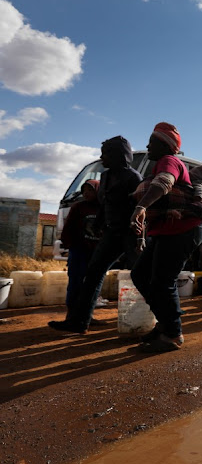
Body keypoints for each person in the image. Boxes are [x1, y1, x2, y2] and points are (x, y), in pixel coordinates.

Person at [130, 122, 202, 352]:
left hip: (182, 228)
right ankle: (165, 324)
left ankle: (172, 334)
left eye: (152, 141)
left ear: (164, 145)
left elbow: (164, 183)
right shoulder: (161, 164)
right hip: (168, 229)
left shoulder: (169, 161)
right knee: (141, 274)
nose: (147, 146)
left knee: (162, 281)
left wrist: (140, 207)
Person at [49, 136, 142, 334]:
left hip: (129, 233)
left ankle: (165, 321)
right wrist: (99, 224)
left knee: (141, 275)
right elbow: (104, 204)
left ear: (118, 155)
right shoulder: (106, 177)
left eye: (106, 153)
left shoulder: (133, 178)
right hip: (111, 233)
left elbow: (141, 208)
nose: (102, 158)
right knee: (92, 274)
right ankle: (79, 323)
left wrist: (139, 238)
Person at [59, 179, 100, 322]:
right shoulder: (78, 207)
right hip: (79, 251)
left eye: (90, 190)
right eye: (84, 191)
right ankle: (71, 315)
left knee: (91, 286)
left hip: (96, 253)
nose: (86, 194)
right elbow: (68, 227)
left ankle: (87, 315)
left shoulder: (104, 208)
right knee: (75, 283)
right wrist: (69, 245)